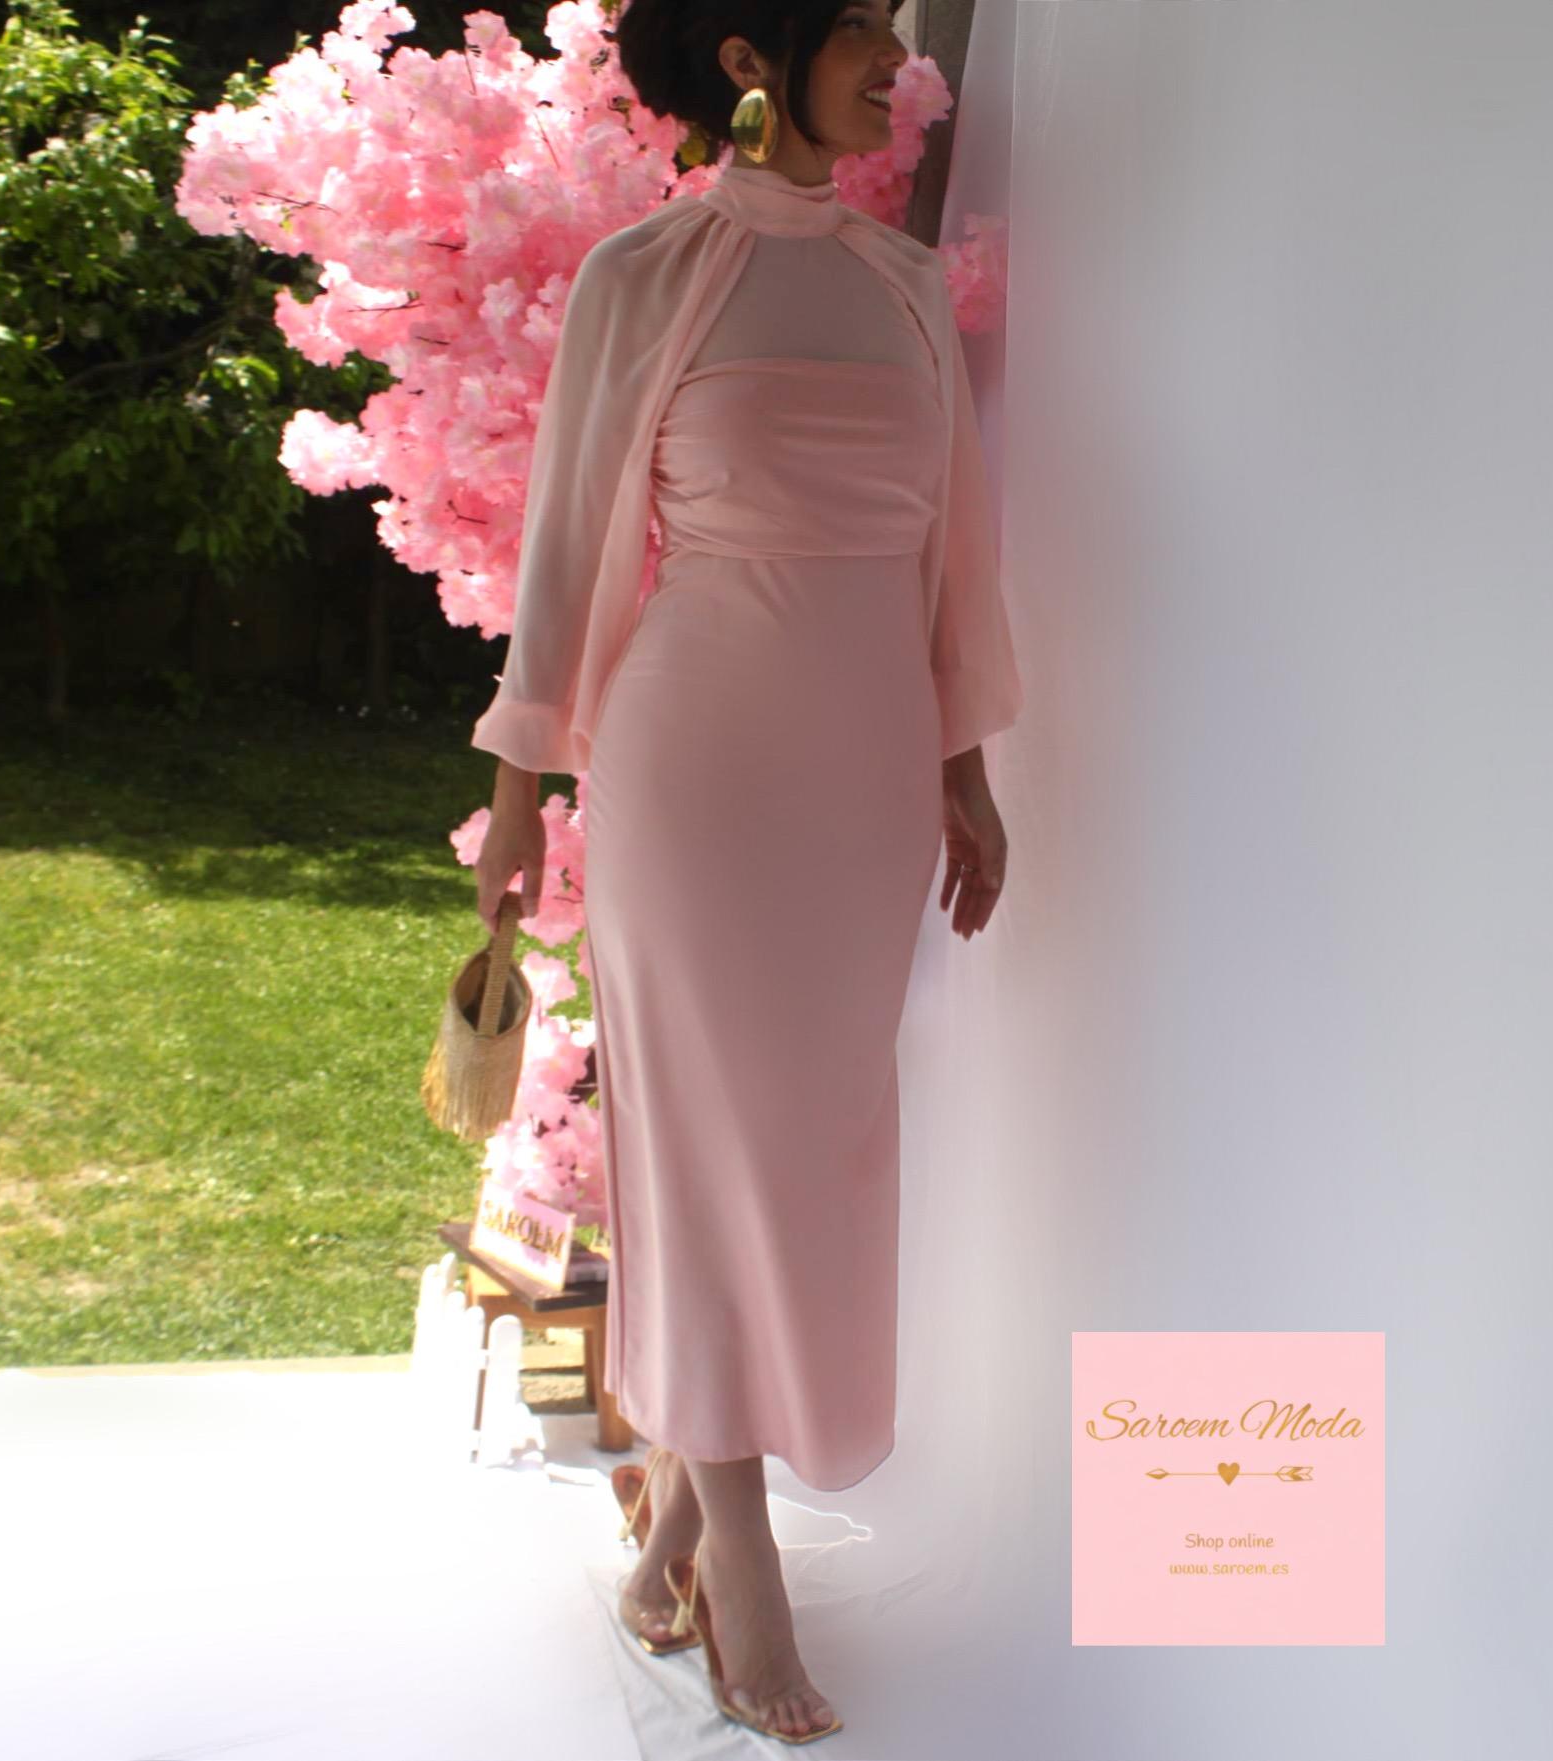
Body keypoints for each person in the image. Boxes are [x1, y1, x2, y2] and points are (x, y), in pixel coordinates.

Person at [470, 0, 1022, 1742]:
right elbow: (566, 545)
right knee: (707, 1154)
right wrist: (513, 796)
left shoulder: (901, 286)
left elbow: (953, 552)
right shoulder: (643, 276)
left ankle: (669, 1539)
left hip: (864, 783)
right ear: (745, 61)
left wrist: (962, 766)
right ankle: (743, 1571)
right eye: (853, 26)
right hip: (693, 769)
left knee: (818, 1152)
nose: (890, 59)